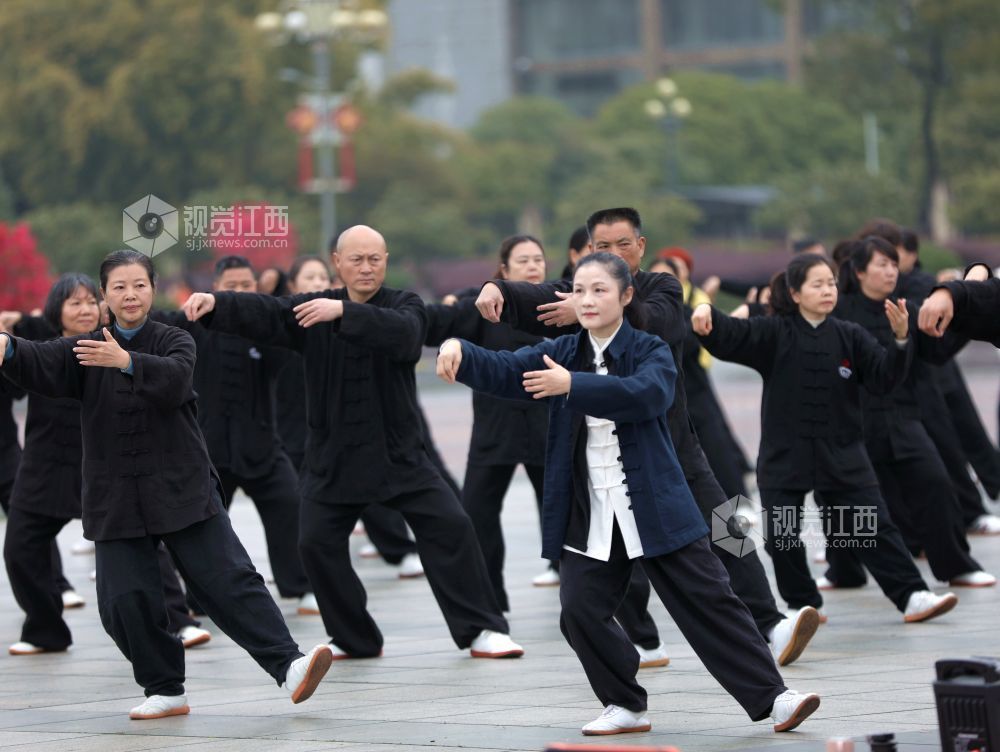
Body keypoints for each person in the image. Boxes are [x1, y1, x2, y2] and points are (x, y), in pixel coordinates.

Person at [441, 252, 820, 734]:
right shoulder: (562, 350)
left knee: (711, 601)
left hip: (656, 503)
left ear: (626, 296)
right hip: (592, 512)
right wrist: (460, 349)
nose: (588, 300)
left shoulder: (649, 348)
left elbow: (647, 395)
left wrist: (570, 385)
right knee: (578, 611)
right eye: (579, 291)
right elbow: (506, 370)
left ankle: (776, 698)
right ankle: (624, 703)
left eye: (600, 290)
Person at [0, 250, 333, 719]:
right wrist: (8, 347)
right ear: (104, 296)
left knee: (228, 579)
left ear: (152, 289)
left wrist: (126, 361)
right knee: (123, 601)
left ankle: (290, 665)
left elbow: (176, 380)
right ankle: (165, 687)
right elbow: (40, 359)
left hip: (181, 485)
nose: (129, 295)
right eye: (119, 287)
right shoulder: (86, 348)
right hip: (116, 495)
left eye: (138, 285)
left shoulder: (175, 338)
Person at [182, 225, 522, 660]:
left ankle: (482, 629)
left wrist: (343, 314)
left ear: (385, 260)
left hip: (398, 454)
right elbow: (269, 312)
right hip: (333, 459)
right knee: (315, 544)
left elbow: (404, 335)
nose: (366, 267)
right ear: (337, 263)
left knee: (451, 526)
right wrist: (217, 305)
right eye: (356, 259)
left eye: (374, 259)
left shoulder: (403, 304)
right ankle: (353, 636)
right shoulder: (312, 309)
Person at [691, 253, 962, 622]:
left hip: (843, 452)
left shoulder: (850, 335)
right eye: (817, 284)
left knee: (872, 526)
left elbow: (884, 378)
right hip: (785, 454)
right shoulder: (774, 331)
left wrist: (901, 339)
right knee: (782, 535)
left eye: (831, 283)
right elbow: (732, 336)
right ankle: (803, 605)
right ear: (795, 293)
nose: (827, 290)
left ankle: (913, 594)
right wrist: (707, 318)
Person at [822, 237, 994, 589]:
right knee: (847, 498)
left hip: (903, 417)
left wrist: (958, 313)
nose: (890, 271)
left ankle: (956, 565)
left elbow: (936, 350)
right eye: (881, 264)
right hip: (854, 424)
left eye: (893, 264)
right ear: (858, 271)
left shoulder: (907, 308)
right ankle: (843, 570)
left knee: (936, 483)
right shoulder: (837, 313)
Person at [152, 256, 317, 614]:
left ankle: (301, 586)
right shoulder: (191, 325)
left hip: (262, 446)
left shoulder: (266, 330)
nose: (240, 293)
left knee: (290, 505)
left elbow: (287, 339)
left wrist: (267, 305)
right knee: (198, 528)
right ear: (215, 289)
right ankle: (198, 597)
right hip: (208, 451)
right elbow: (154, 328)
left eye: (247, 287)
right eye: (232, 287)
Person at [276, 254, 423, 579]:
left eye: (320, 278)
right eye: (308, 278)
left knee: (370, 495)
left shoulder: (344, 318)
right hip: (297, 428)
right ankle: (296, 573)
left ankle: (398, 548)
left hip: (344, 429)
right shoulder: (287, 323)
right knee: (302, 511)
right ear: (293, 287)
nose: (316, 284)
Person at [425, 234, 553, 605]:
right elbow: (444, 319)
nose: (533, 266)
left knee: (559, 510)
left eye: (538, 259)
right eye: (524, 260)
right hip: (495, 429)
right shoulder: (486, 308)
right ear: (505, 270)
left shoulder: (558, 306)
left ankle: (572, 583)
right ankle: (489, 598)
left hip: (546, 427)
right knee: (477, 512)